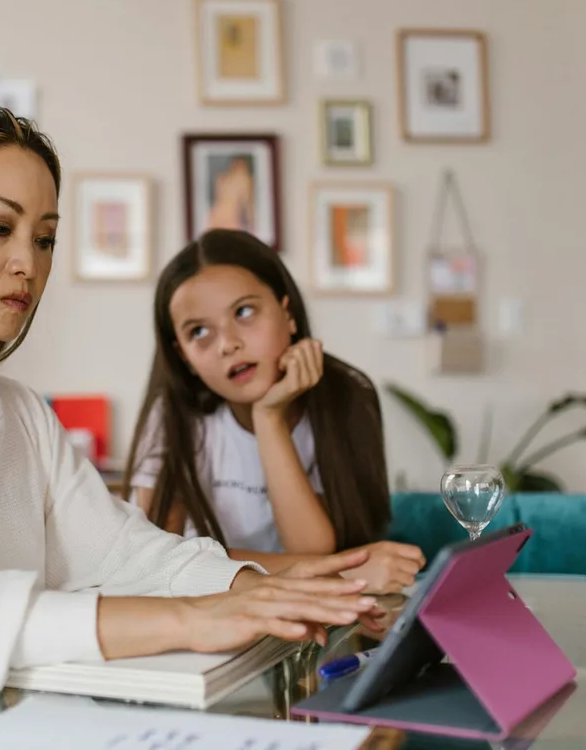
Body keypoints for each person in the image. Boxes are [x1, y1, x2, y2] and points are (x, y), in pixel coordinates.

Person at [0, 101, 380, 750]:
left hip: (3, 728)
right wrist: (192, 619)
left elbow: (125, 554)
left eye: (45, 237)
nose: (28, 261)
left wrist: (259, 588)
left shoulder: (21, 412)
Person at [124, 229, 426, 592]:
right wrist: (341, 573)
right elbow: (160, 561)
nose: (228, 344)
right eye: (199, 332)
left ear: (289, 314)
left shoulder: (348, 396)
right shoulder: (173, 416)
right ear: (183, 356)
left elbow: (312, 549)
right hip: (218, 614)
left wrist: (269, 418)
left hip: (318, 615)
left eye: (245, 311)